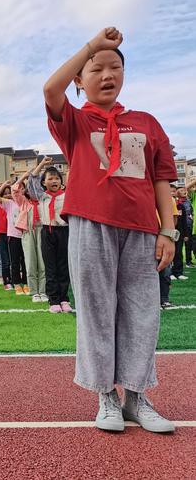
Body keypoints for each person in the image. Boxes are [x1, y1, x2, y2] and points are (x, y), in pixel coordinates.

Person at [44, 27, 178, 433]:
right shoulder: (76, 122)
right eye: (96, 69)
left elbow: (160, 180)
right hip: (90, 226)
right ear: (80, 82)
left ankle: (136, 395)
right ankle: (106, 396)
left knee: (142, 312)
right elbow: (50, 90)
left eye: (115, 67)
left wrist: (168, 231)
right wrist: (92, 45)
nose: (107, 75)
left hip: (140, 230)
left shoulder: (146, 123)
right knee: (96, 311)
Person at [27, 157, 71, 312]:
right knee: (50, 267)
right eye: (50, 178)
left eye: (57, 178)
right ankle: (53, 300)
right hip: (47, 232)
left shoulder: (66, 195)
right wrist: (42, 165)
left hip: (64, 231)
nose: (54, 181)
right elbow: (32, 180)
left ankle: (64, 299)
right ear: (44, 182)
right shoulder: (41, 196)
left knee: (63, 267)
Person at [12, 169, 47, 302]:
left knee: (42, 263)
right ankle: (34, 292)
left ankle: (43, 291)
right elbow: (14, 189)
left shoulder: (43, 200)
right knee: (31, 262)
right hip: (28, 232)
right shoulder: (23, 202)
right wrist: (23, 177)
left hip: (42, 231)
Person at [0, 181, 29, 295]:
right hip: (13, 235)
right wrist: (4, 185)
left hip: (26, 235)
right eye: (17, 189)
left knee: (25, 261)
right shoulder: (9, 203)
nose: (19, 191)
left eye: (22, 189)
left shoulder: (27, 202)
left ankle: (26, 283)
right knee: (15, 261)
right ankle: (17, 284)